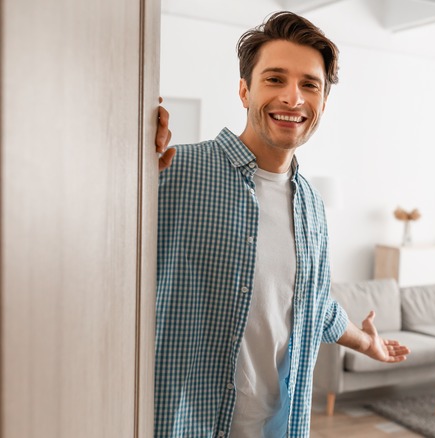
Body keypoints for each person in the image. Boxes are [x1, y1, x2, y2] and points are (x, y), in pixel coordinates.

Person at [152, 11, 410, 438]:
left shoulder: (312, 206)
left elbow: (313, 306)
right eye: (275, 79)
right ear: (244, 90)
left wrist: (367, 343)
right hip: (183, 425)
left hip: (279, 428)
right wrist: (122, 147)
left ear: (323, 101)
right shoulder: (174, 168)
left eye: (310, 84)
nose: (293, 98)